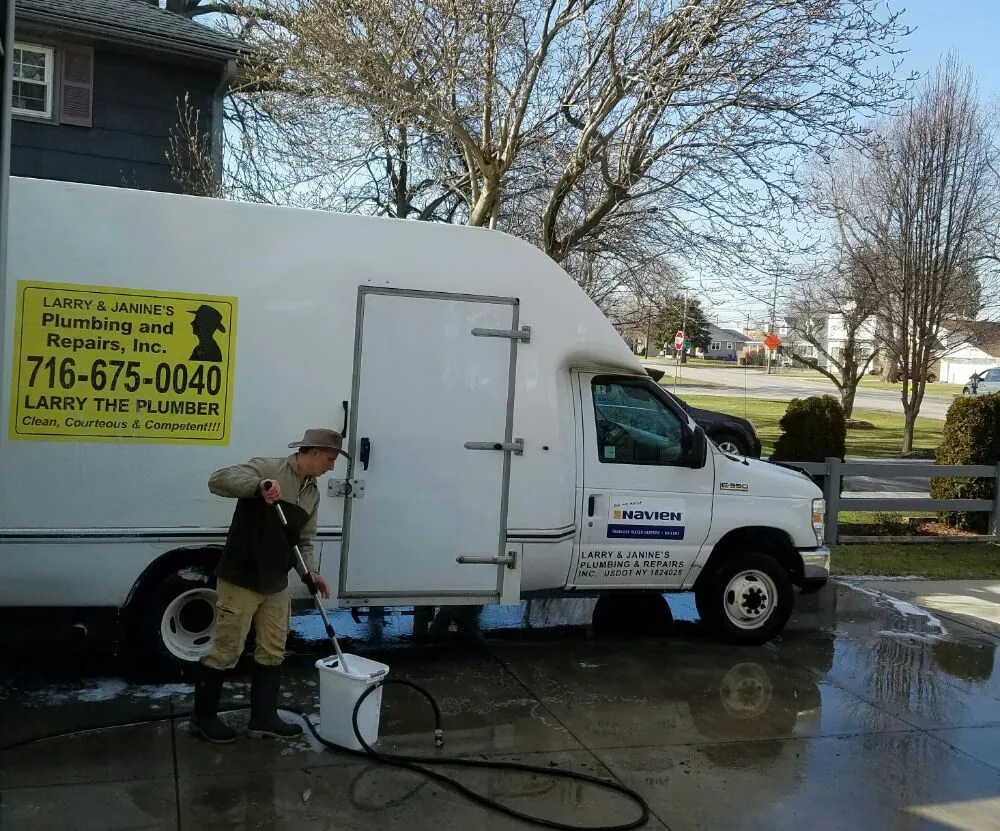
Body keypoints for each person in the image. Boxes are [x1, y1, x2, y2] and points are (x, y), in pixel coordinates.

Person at [192, 428, 347, 743]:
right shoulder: (269, 469)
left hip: (276, 583)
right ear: (314, 451)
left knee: (274, 648)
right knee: (227, 650)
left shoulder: (312, 494)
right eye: (330, 459)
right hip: (241, 577)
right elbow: (217, 480)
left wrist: (311, 573)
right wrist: (257, 486)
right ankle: (203, 717)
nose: (332, 467)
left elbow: (304, 541)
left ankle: (263, 718)